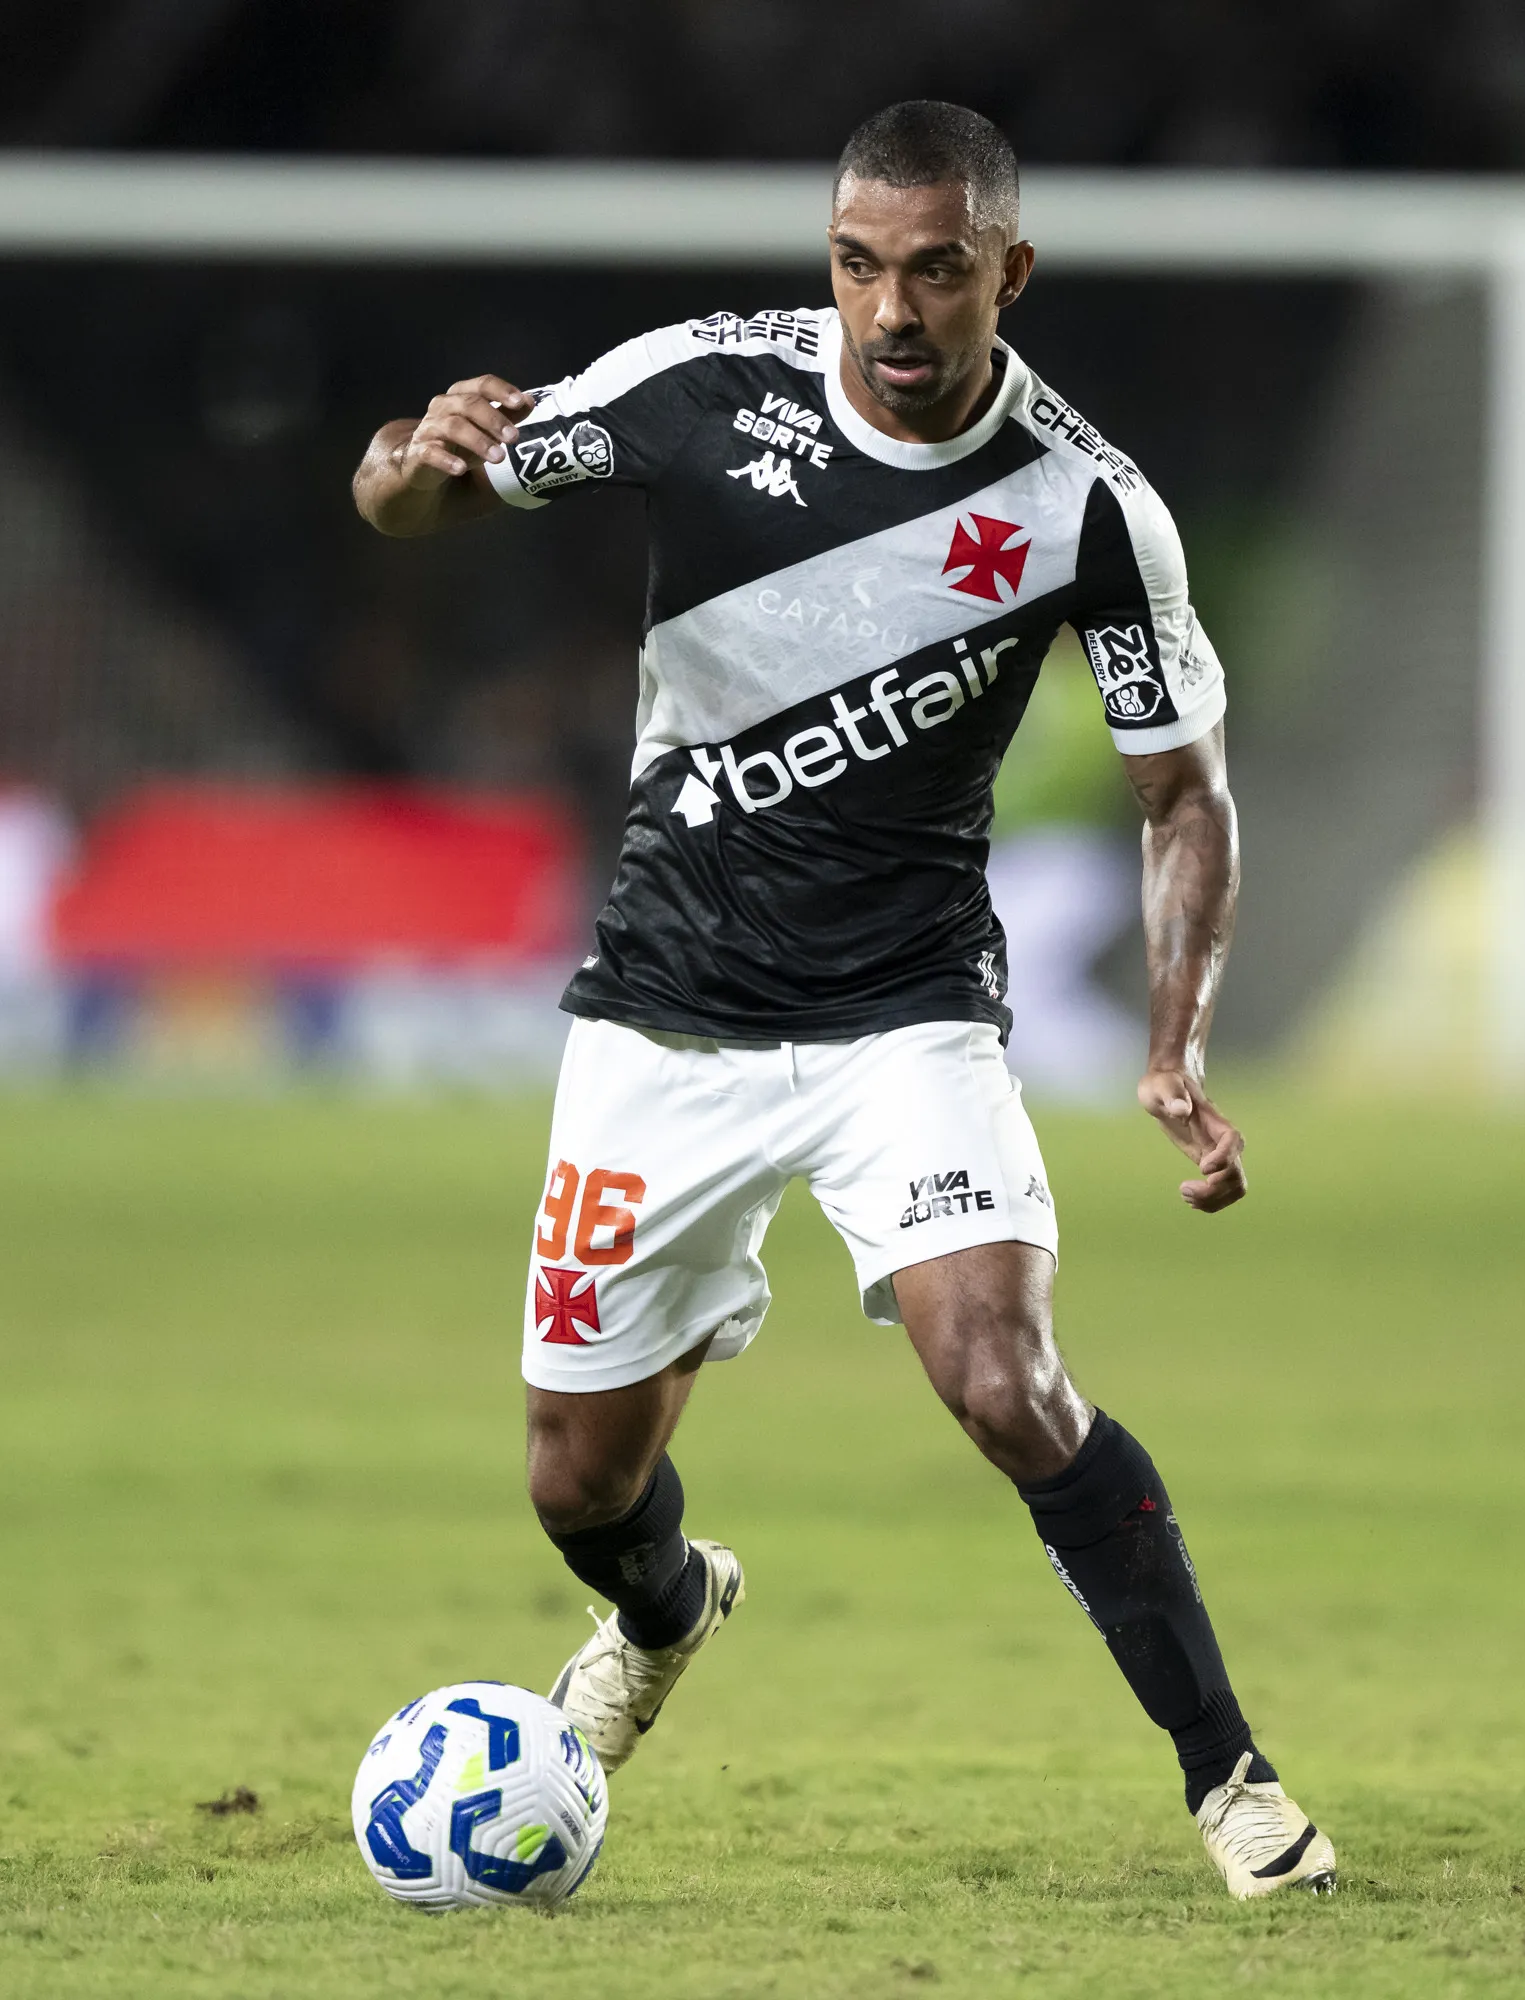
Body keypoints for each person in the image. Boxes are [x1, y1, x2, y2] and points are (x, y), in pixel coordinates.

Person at [350, 101, 1334, 1898]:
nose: (892, 305)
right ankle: (660, 1615)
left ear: (1006, 274)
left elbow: (1181, 793)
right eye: (860, 263)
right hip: (663, 1005)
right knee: (576, 1483)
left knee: (1006, 1378)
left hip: (907, 1011)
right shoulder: (694, 392)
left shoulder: (1091, 510)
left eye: (937, 270)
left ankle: (1236, 1782)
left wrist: (1178, 1044)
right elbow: (412, 497)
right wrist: (424, 457)